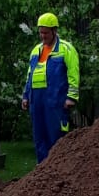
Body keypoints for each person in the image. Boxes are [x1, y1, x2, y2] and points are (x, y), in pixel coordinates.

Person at [21, 12, 80, 164]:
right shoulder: (36, 50)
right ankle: (42, 172)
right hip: (37, 101)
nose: (43, 36)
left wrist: (71, 97)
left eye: (46, 32)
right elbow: (30, 75)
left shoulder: (66, 49)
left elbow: (74, 74)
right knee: (39, 136)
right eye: (40, 32)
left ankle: (59, 171)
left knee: (56, 137)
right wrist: (26, 96)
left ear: (54, 31)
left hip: (56, 100)